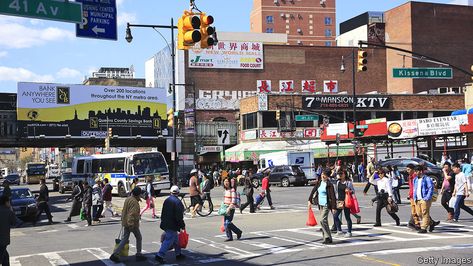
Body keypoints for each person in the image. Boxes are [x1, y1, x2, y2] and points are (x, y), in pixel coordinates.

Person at [110, 187, 146, 263]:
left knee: (124, 239)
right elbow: (131, 214)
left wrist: (124, 221)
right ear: (138, 194)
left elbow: (124, 211)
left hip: (125, 222)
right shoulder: (134, 202)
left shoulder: (128, 199)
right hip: (131, 224)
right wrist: (131, 224)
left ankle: (115, 254)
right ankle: (139, 254)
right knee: (139, 237)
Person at [155, 186, 186, 264]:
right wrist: (182, 225)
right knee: (168, 240)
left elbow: (163, 212)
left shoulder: (167, 200)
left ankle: (178, 254)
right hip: (172, 224)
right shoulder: (178, 202)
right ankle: (159, 255)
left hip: (165, 222)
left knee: (176, 240)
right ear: (178, 193)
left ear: (170, 192)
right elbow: (179, 216)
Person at [308, 170, 337, 244]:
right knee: (324, 222)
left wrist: (334, 207)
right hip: (320, 204)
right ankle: (327, 238)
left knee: (322, 220)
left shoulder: (329, 185)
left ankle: (327, 237)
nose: (323, 176)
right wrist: (309, 200)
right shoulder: (319, 182)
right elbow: (313, 191)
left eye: (324, 175)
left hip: (326, 204)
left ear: (327, 176)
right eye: (322, 174)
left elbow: (333, 196)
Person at [413, 165, 436, 233]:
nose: (415, 173)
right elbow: (415, 189)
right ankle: (431, 223)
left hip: (424, 198)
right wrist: (414, 197)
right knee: (419, 213)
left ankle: (424, 228)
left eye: (416, 171)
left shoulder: (427, 178)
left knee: (425, 213)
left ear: (420, 171)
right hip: (417, 199)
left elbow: (431, 188)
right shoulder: (416, 179)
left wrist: (427, 197)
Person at [333, 170, 355, 238]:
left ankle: (349, 232)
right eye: (339, 174)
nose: (340, 175)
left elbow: (353, 191)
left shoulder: (348, 182)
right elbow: (336, 192)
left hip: (346, 201)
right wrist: (336, 200)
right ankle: (339, 230)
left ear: (345, 174)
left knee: (347, 217)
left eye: (341, 174)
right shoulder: (337, 182)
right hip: (340, 201)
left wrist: (349, 190)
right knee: (335, 216)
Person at [0, 195, 16, 266]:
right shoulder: (8, 212)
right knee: (2, 257)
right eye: (9, 202)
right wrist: (11, 210)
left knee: (5, 257)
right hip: (3, 240)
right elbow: (15, 222)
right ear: (6, 202)